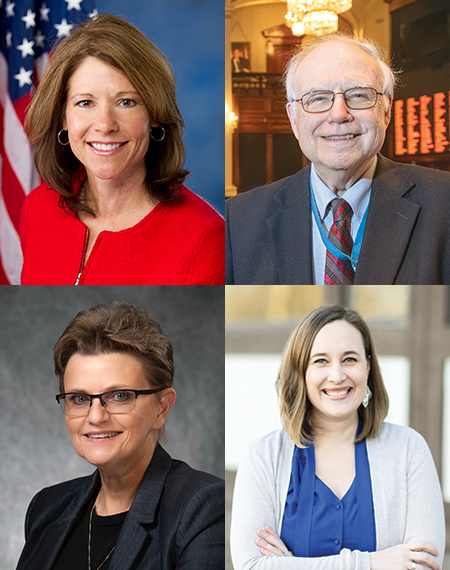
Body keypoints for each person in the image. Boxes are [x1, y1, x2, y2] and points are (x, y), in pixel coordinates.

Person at [230, 305, 445, 570]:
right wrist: (371, 563)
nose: (337, 376)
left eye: (350, 359)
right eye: (320, 360)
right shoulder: (263, 456)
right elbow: (251, 565)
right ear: (301, 372)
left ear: (368, 366)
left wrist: (289, 564)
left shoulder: (409, 449)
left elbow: (425, 564)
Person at [225, 33, 450, 285]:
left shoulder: (444, 203)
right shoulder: (238, 220)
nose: (339, 115)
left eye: (358, 95)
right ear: (294, 119)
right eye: (318, 98)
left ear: (386, 111)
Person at [16, 301, 224, 570]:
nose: (95, 416)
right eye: (80, 398)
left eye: (119, 396)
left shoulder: (201, 507)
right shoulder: (46, 508)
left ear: (162, 408)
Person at [21, 14, 224, 285]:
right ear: (62, 117)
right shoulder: (38, 207)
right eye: (85, 103)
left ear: (154, 114)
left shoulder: (204, 238)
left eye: (126, 102)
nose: (105, 125)